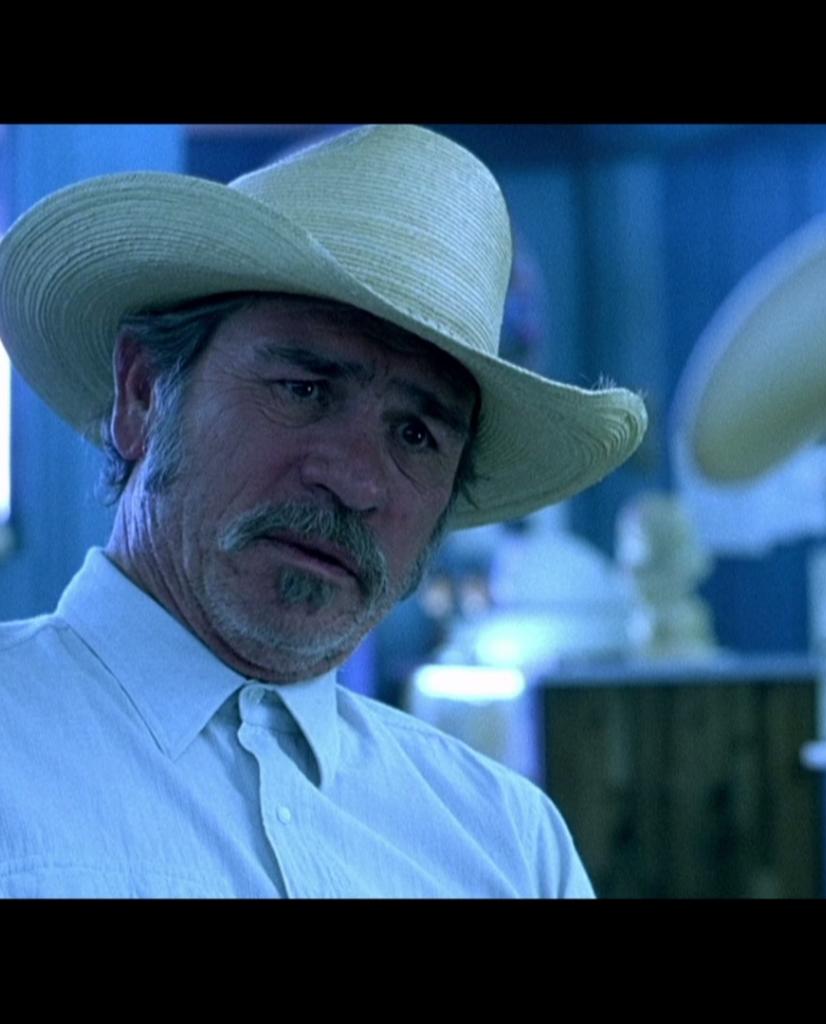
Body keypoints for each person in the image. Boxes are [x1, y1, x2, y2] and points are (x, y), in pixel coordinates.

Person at [0, 124, 647, 898]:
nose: (355, 481)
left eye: (417, 434)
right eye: (304, 389)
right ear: (142, 395)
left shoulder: (509, 842)